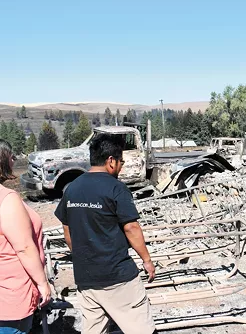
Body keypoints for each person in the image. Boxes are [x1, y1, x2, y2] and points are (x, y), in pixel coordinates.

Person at [54, 133, 156, 334]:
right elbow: (131, 227)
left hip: (86, 278)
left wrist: (82, 255)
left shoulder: (72, 189)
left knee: (94, 330)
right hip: (117, 277)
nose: (121, 167)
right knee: (141, 328)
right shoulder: (116, 188)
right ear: (111, 161)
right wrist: (147, 260)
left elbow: (67, 228)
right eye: (121, 162)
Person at [0, 140, 51, 334]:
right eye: (11, 157)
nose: (13, 161)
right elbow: (24, 247)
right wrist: (42, 283)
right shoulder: (6, 199)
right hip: (9, 294)